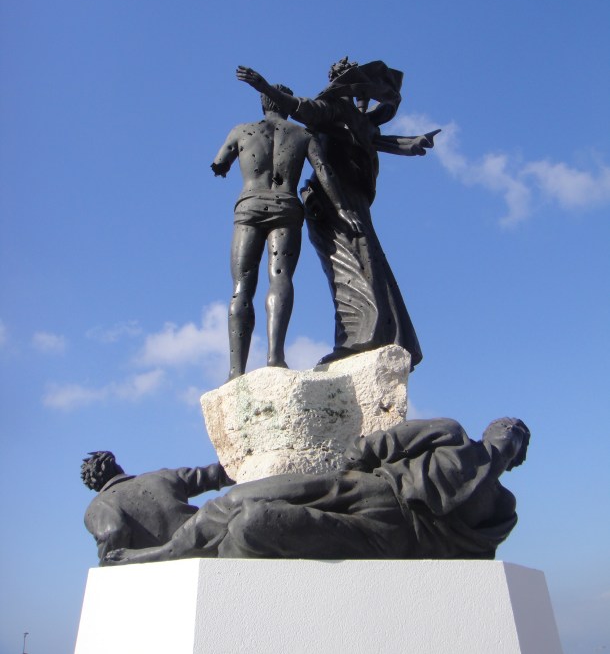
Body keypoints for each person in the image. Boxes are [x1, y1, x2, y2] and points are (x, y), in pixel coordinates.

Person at [102, 417, 530, 564]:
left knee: (254, 523)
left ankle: (225, 549)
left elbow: (466, 553)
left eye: (517, 438)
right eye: (508, 427)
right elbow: (376, 446)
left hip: (392, 538)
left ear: (517, 457)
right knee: (238, 498)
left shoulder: (503, 509)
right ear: (491, 427)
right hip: (373, 490)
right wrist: (347, 476)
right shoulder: (451, 434)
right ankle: (160, 555)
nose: (509, 435)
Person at [236, 62, 439, 372]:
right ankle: (378, 332)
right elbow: (369, 135)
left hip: (335, 202)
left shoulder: (337, 112)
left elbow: (300, 108)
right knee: (363, 260)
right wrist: (409, 144)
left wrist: (263, 87)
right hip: (345, 200)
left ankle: (359, 337)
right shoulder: (351, 118)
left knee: (347, 263)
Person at [211, 84, 361, 380]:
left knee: (242, 287)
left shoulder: (242, 130)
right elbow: (324, 171)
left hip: (250, 207)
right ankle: (275, 357)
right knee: (280, 277)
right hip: (286, 207)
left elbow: (219, 162)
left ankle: (235, 371)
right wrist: (343, 209)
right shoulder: (302, 135)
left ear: (263, 103)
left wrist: (223, 167)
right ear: (283, 103)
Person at [81, 450, 233, 562]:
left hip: (170, 566)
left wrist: (106, 566)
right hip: (213, 543)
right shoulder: (163, 476)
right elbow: (218, 474)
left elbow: (113, 533)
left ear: (94, 486)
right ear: (117, 468)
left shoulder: (98, 506)